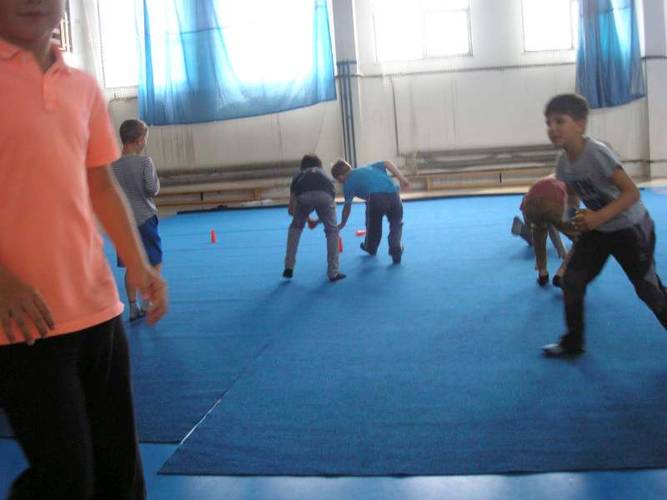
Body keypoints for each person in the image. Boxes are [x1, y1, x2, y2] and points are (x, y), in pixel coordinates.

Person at [0, 1, 168, 498]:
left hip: (98, 310)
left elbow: (101, 185)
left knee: (121, 474)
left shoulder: (83, 87)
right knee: (66, 479)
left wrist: (137, 263)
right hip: (24, 323)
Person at [540, 93, 667, 356]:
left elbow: (632, 193)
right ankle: (573, 342)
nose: (552, 128)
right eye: (548, 122)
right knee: (572, 281)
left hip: (631, 228)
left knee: (648, 290)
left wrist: (598, 217)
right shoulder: (563, 162)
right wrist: (571, 219)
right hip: (598, 230)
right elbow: (573, 195)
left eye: (559, 121)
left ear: (580, 124)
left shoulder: (596, 153)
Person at [112, 119, 163, 321]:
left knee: (131, 265)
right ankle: (149, 302)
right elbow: (152, 189)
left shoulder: (112, 166)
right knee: (154, 261)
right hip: (145, 218)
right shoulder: (145, 162)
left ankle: (133, 307)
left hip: (123, 221)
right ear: (140, 140)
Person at [331, 159, 410, 264]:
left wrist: (342, 223)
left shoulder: (348, 183)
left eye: (338, 180)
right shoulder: (369, 167)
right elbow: (387, 163)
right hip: (394, 195)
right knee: (396, 223)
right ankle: (395, 248)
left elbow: (347, 207)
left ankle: (370, 248)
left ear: (340, 177)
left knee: (373, 225)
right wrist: (402, 179)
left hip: (376, 199)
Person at [284, 154, 346, 282]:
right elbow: (328, 207)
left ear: (302, 166)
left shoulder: (298, 175)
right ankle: (333, 272)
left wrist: (305, 219)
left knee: (295, 228)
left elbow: (291, 210)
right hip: (325, 195)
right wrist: (318, 220)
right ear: (319, 165)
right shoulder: (323, 175)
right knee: (332, 231)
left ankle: (288, 267)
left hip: (302, 196)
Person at [511, 175, 578, 286]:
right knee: (580, 240)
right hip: (551, 205)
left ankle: (542, 273)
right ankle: (562, 273)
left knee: (539, 235)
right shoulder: (574, 182)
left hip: (528, 205)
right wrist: (563, 250)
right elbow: (566, 216)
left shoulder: (551, 177)